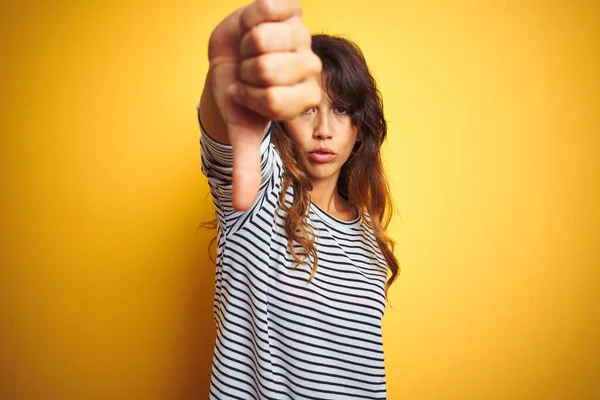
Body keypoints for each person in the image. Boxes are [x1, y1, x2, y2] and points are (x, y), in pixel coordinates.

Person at [197, 0, 400, 398]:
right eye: (308, 109)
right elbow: (224, 142)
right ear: (280, 116)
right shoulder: (261, 196)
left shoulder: (369, 237)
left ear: (360, 129)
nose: (324, 129)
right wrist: (231, 73)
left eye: (340, 110)